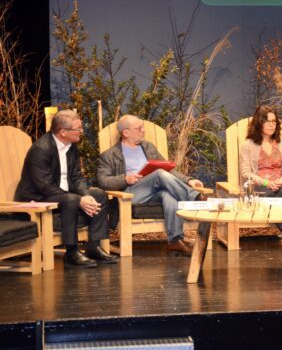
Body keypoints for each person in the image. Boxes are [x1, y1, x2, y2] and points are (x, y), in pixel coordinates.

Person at [15, 109, 117, 268]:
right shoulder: (41, 150)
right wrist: (78, 199)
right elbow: (44, 186)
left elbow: (76, 176)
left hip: (62, 193)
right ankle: (71, 252)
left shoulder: (71, 146)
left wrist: (84, 194)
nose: (81, 132)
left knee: (99, 194)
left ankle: (94, 247)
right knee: (71, 199)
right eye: (78, 129)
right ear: (63, 131)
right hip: (38, 197)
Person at [97, 114, 203, 256]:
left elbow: (168, 170)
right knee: (159, 173)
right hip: (130, 195)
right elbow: (103, 181)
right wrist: (125, 179)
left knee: (168, 194)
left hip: (153, 192)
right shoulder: (109, 155)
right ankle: (195, 200)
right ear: (126, 133)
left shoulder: (148, 147)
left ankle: (175, 241)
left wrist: (189, 180)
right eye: (139, 128)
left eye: (143, 127)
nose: (143, 130)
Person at [239, 105, 282, 254]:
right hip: (259, 187)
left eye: (274, 121)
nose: (272, 124)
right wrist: (266, 182)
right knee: (269, 198)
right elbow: (246, 173)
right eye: (267, 121)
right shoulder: (247, 146)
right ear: (259, 123)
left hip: (281, 185)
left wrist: (280, 181)